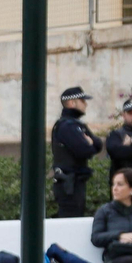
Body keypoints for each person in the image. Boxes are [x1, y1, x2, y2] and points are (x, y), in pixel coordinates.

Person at [50, 86, 101, 218]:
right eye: (82, 101)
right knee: (70, 219)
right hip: (69, 184)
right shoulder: (67, 126)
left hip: (76, 182)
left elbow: (99, 144)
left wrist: (91, 143)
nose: (86, 104)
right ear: (72, 103)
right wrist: (90, 144)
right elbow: (84, 151)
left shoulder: (77, 125)